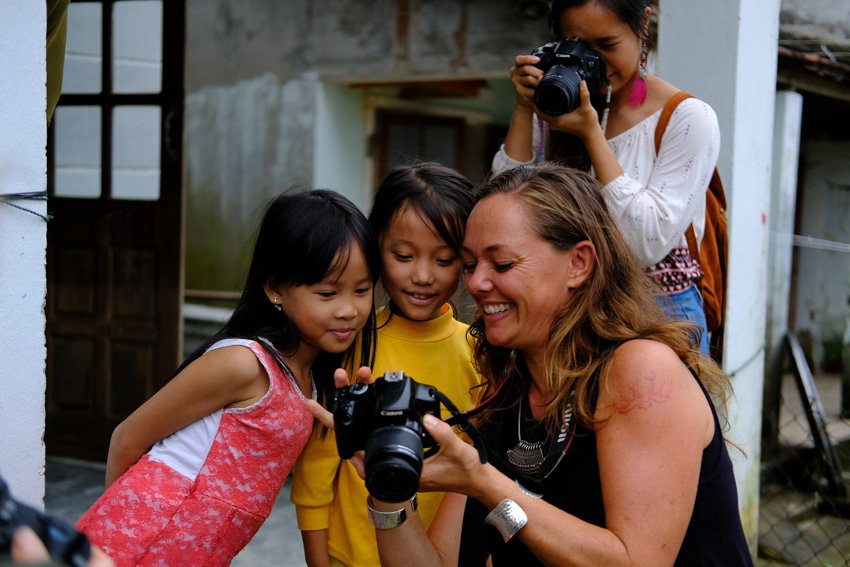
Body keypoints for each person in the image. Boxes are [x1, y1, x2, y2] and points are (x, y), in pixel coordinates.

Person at [312, 164, 752, 565]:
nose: (477, 283)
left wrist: (486, 483)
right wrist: (389, 488)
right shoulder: (504, 398)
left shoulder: (640, 370)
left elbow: (634, 560)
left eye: (501, 263)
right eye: (469, 264)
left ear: (578, 263)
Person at [75, 189, 380, 567]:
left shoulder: (314, 380)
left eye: (362, 290)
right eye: (328, 293)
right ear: (274, 289)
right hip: (139, 542)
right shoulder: (244, 363)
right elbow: (127, 438)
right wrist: (117, 534)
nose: (348, 310)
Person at [491, 0, 720, 356]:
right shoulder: (559, 102)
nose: (593, 60)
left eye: (606, 45)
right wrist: (524, 107)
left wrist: (591, 135)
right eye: (576, 45)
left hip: (657, 316)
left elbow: (643, 244)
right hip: (566, 315)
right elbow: (506, 209)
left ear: (643, 25)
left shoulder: (687, 118)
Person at [291, 162, 482, 567]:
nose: (423, 276)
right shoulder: (349, 344)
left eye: (445, 260)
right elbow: (317, 466)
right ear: (377, 247)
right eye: (403, 255)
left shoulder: (478, 355)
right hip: (348, 555)